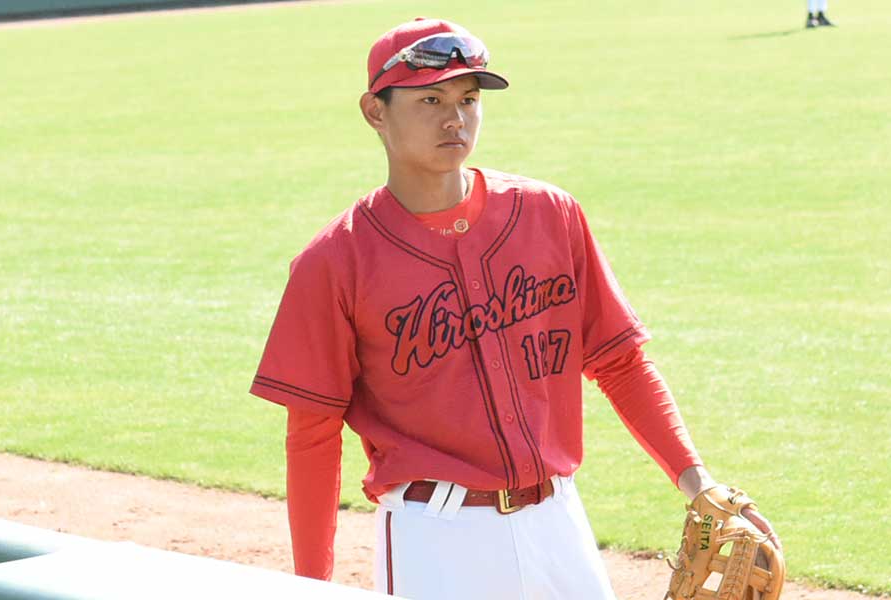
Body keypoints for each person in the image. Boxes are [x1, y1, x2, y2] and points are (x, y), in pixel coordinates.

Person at [250, 17, 783, 599]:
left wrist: (697, 479)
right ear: (375, 111)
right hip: (437, 538)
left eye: (468, 98)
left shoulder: (550, 214)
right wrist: (311, 586)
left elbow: (619, 362)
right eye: (430, 99)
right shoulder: (336, 260)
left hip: (559, 522)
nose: (454, 118)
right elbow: (312, 434)